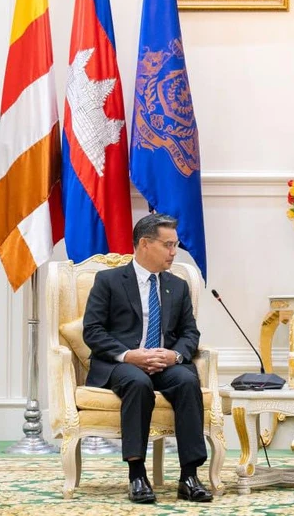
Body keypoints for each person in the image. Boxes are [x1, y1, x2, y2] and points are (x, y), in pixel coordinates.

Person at [83, 213, 213, 504]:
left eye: (175, 244)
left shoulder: (177, 285)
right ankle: (137, 474)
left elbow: (190, 333)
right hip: (122, 364)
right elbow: (92, 330)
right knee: (137, 382)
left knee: (186, 379)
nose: (173, 252)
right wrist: (130, 355)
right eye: (167, 245)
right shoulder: (109, 281)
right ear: (144, 244)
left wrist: (174, 355)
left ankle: (189, 475)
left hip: (165, 364)